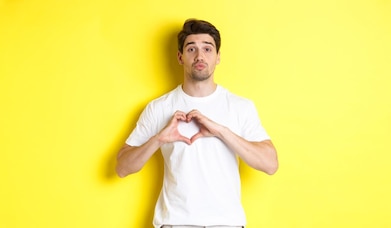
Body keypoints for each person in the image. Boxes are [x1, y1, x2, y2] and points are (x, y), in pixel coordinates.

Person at [116, 19, 278, 228]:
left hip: (226, 224)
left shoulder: (240, 107)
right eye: (191, 48)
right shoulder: (159, 108)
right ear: (180, 57)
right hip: (175, 223)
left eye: (207, 49)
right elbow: (122, 168)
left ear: (218, 57)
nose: (200, 56)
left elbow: (270, 164)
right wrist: (159, 139)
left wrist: (221, 131)